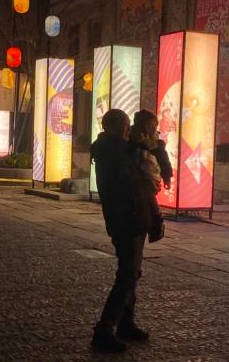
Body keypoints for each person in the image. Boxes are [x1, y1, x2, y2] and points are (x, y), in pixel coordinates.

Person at [90, 109, 154, 353]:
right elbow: (129, 184)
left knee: (132, 272)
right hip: (127, 218)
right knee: (127, 275)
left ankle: (126, 322)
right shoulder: (113, 152)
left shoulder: (115, 149)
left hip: (131, 217)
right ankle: (105, 328)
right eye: (126, 125)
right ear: (114, 127)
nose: (129, 129)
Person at [130, 109, 174, 241]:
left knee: (148, 196)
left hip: (150, 175)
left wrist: (167, 176)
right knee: (144, 199)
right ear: (141, 124)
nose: (153, 127)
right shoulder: (130, 136)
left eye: (155, 124)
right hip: (135, 175)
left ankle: (157, 221)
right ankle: (155, 222)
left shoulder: (155, 142)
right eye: (150, 124)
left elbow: (163, 159)